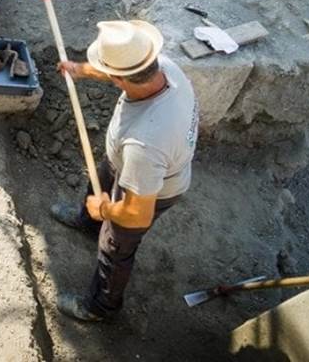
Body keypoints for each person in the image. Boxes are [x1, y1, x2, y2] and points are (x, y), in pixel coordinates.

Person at [50, 20, 199, 322]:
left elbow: (137, 214)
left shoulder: (145, 145)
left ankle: (101, 307)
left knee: (116, 247)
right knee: (99, 184)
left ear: (121, 78)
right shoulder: (163, 67)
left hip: (148, 188)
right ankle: (88, 223)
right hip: (126, 162)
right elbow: (123, 72)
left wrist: (105, 209)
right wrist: (82, 70)